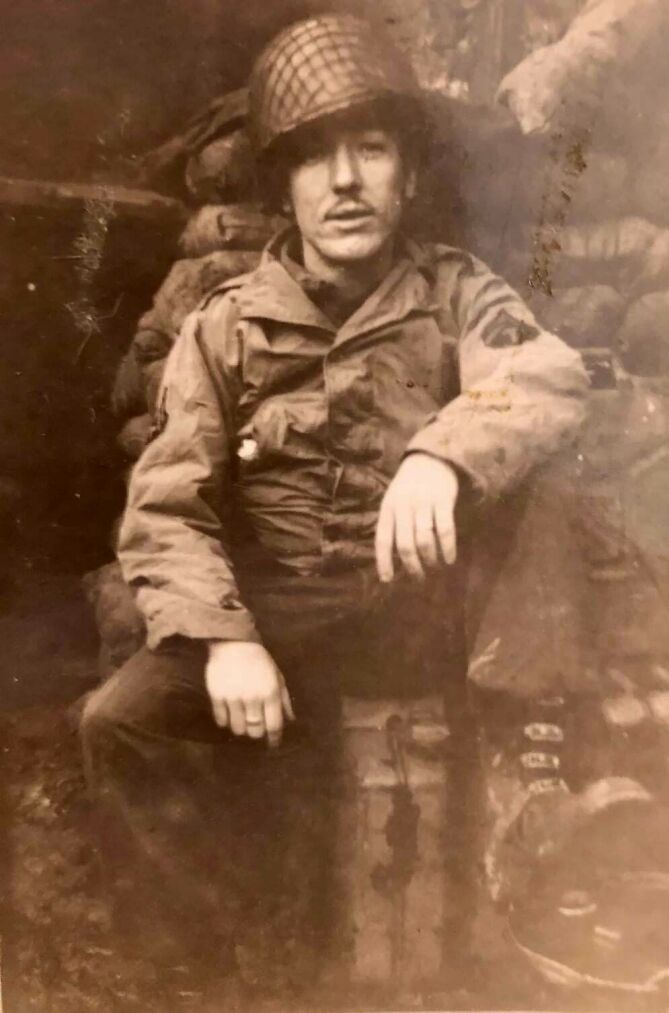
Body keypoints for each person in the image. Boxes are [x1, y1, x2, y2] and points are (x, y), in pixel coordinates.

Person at [80, 12, 589, 1001]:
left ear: (404, 172)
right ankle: (186, 974)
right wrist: (224, 636)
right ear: (283, 186)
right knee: (121, 718)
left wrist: (440, 455)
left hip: (409, 607)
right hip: (273, 606)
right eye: (315, 158)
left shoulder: (454, 292)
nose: (346, 180)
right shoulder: (224, 325)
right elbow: (167, 506)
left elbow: (543, 376)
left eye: (371, 147)